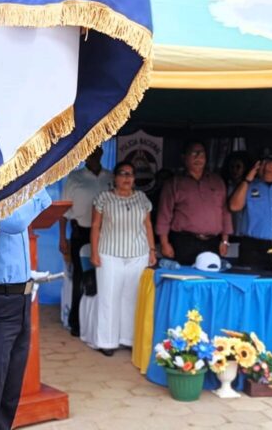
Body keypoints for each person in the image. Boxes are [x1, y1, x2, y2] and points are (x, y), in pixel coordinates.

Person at [0, 190, 52, 430]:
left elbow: (44, 199)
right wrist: (33, 190)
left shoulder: (19, 189)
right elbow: (16, 221)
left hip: (20, 297)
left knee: (10, 390)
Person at [82, 162, 155, 357]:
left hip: (138, 254)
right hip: (109, 254)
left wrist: (152, 250)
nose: (126, 178)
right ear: (114, 177)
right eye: (122, 174)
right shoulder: (103, 198)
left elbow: (147, 226)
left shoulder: (142, 198)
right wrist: (95, 253)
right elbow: (95, 227)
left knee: (131, 297)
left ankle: (128, 339)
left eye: (130, 174)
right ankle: (106, 341)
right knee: (108, 297)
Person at [58, 146, 112, 337]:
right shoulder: (75, 178)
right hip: (80, 232)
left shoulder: (110, 177)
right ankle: (76, 323)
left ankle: (97, 322)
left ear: (102, 154)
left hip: (106, 234)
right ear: (85, 154)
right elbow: (63, 213)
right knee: (80, 278)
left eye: (97, 151)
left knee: (102, 277)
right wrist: (62, 238)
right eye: (90, 151)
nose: (93, 155)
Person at [156, 141, 232, 265]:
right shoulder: (174, 183)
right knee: (186, 279)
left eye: (201, 153)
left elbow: (225, 212)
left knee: (210, 280)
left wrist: (225, 240)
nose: (198, 157)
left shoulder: (217, 181)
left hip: (212, 242)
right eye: (193, 153)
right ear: (184, 157)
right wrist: (164, 243)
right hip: (184, 241)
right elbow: (164, 215)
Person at [220, 151, 250, 240]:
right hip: (228, 232)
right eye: (232, 167)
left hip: (246, 233)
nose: (235, 170)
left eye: (238, 167)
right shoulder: (224, 185)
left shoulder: (251, 187)